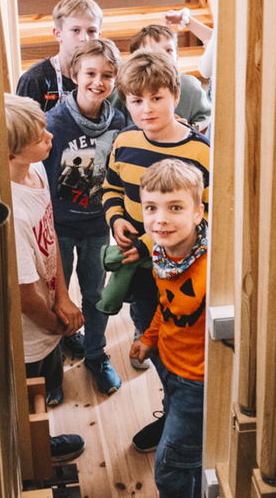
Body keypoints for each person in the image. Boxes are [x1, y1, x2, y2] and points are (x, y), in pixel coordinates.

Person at [99, 53, 211, 453]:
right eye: (136, 100)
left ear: (175, 97)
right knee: (151, 335)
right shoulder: (125, 141)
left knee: (181, 338)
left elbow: (205, 214)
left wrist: (148, 242)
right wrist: (116, 220)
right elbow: (111, 188)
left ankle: (188, 416)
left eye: (156, 98)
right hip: (138, 269)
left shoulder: (200, 152)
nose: (146, 109)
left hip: (181, 270)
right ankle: (173, 410)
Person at [43, 38, 132, 395]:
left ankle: (95, 353)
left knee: (95, 293)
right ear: (75, 75)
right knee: (56, 296)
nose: (98, 82)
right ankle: (52, 366)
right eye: (90, 73)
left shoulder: (119, 121)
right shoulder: (54, 122)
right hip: (60, 228)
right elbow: (43, 177)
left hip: (97, 225)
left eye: (107, 75)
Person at [4, 93, 88, 462]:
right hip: (31, 331)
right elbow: (24, 295)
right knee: (26, 403)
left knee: (50, 376)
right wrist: (54, 323)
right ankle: (37, 452)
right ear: (11, 154)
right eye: (39, 137)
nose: (50, 137)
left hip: (51, 313)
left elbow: (50, 235)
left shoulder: (36, 171)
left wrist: (63, 297)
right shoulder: (12, 213)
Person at [128, 159, 210, 498]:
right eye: (151, 207)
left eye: (175, 207)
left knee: (170, 468)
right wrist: (149, 338)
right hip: (169, 363)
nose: (160, 219)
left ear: (197, 212)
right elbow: (168, 305)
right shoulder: (162, 253)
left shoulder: (211, 268)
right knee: (184, 451)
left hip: (198, 381)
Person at [16, 0, 103, 111]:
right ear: (58, 34)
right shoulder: (35, 79)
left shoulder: (106, 79)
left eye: (91, 31)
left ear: (99, 36)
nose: (84, 38)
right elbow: (21, 122)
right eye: (76, 30)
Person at [122, 26, 213, 133]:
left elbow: (207, 118)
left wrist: (190, 128)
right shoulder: (125, 87)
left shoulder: (190, 86)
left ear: (177, 56)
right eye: (152, 52)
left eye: (168, 50)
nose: (163, 57)